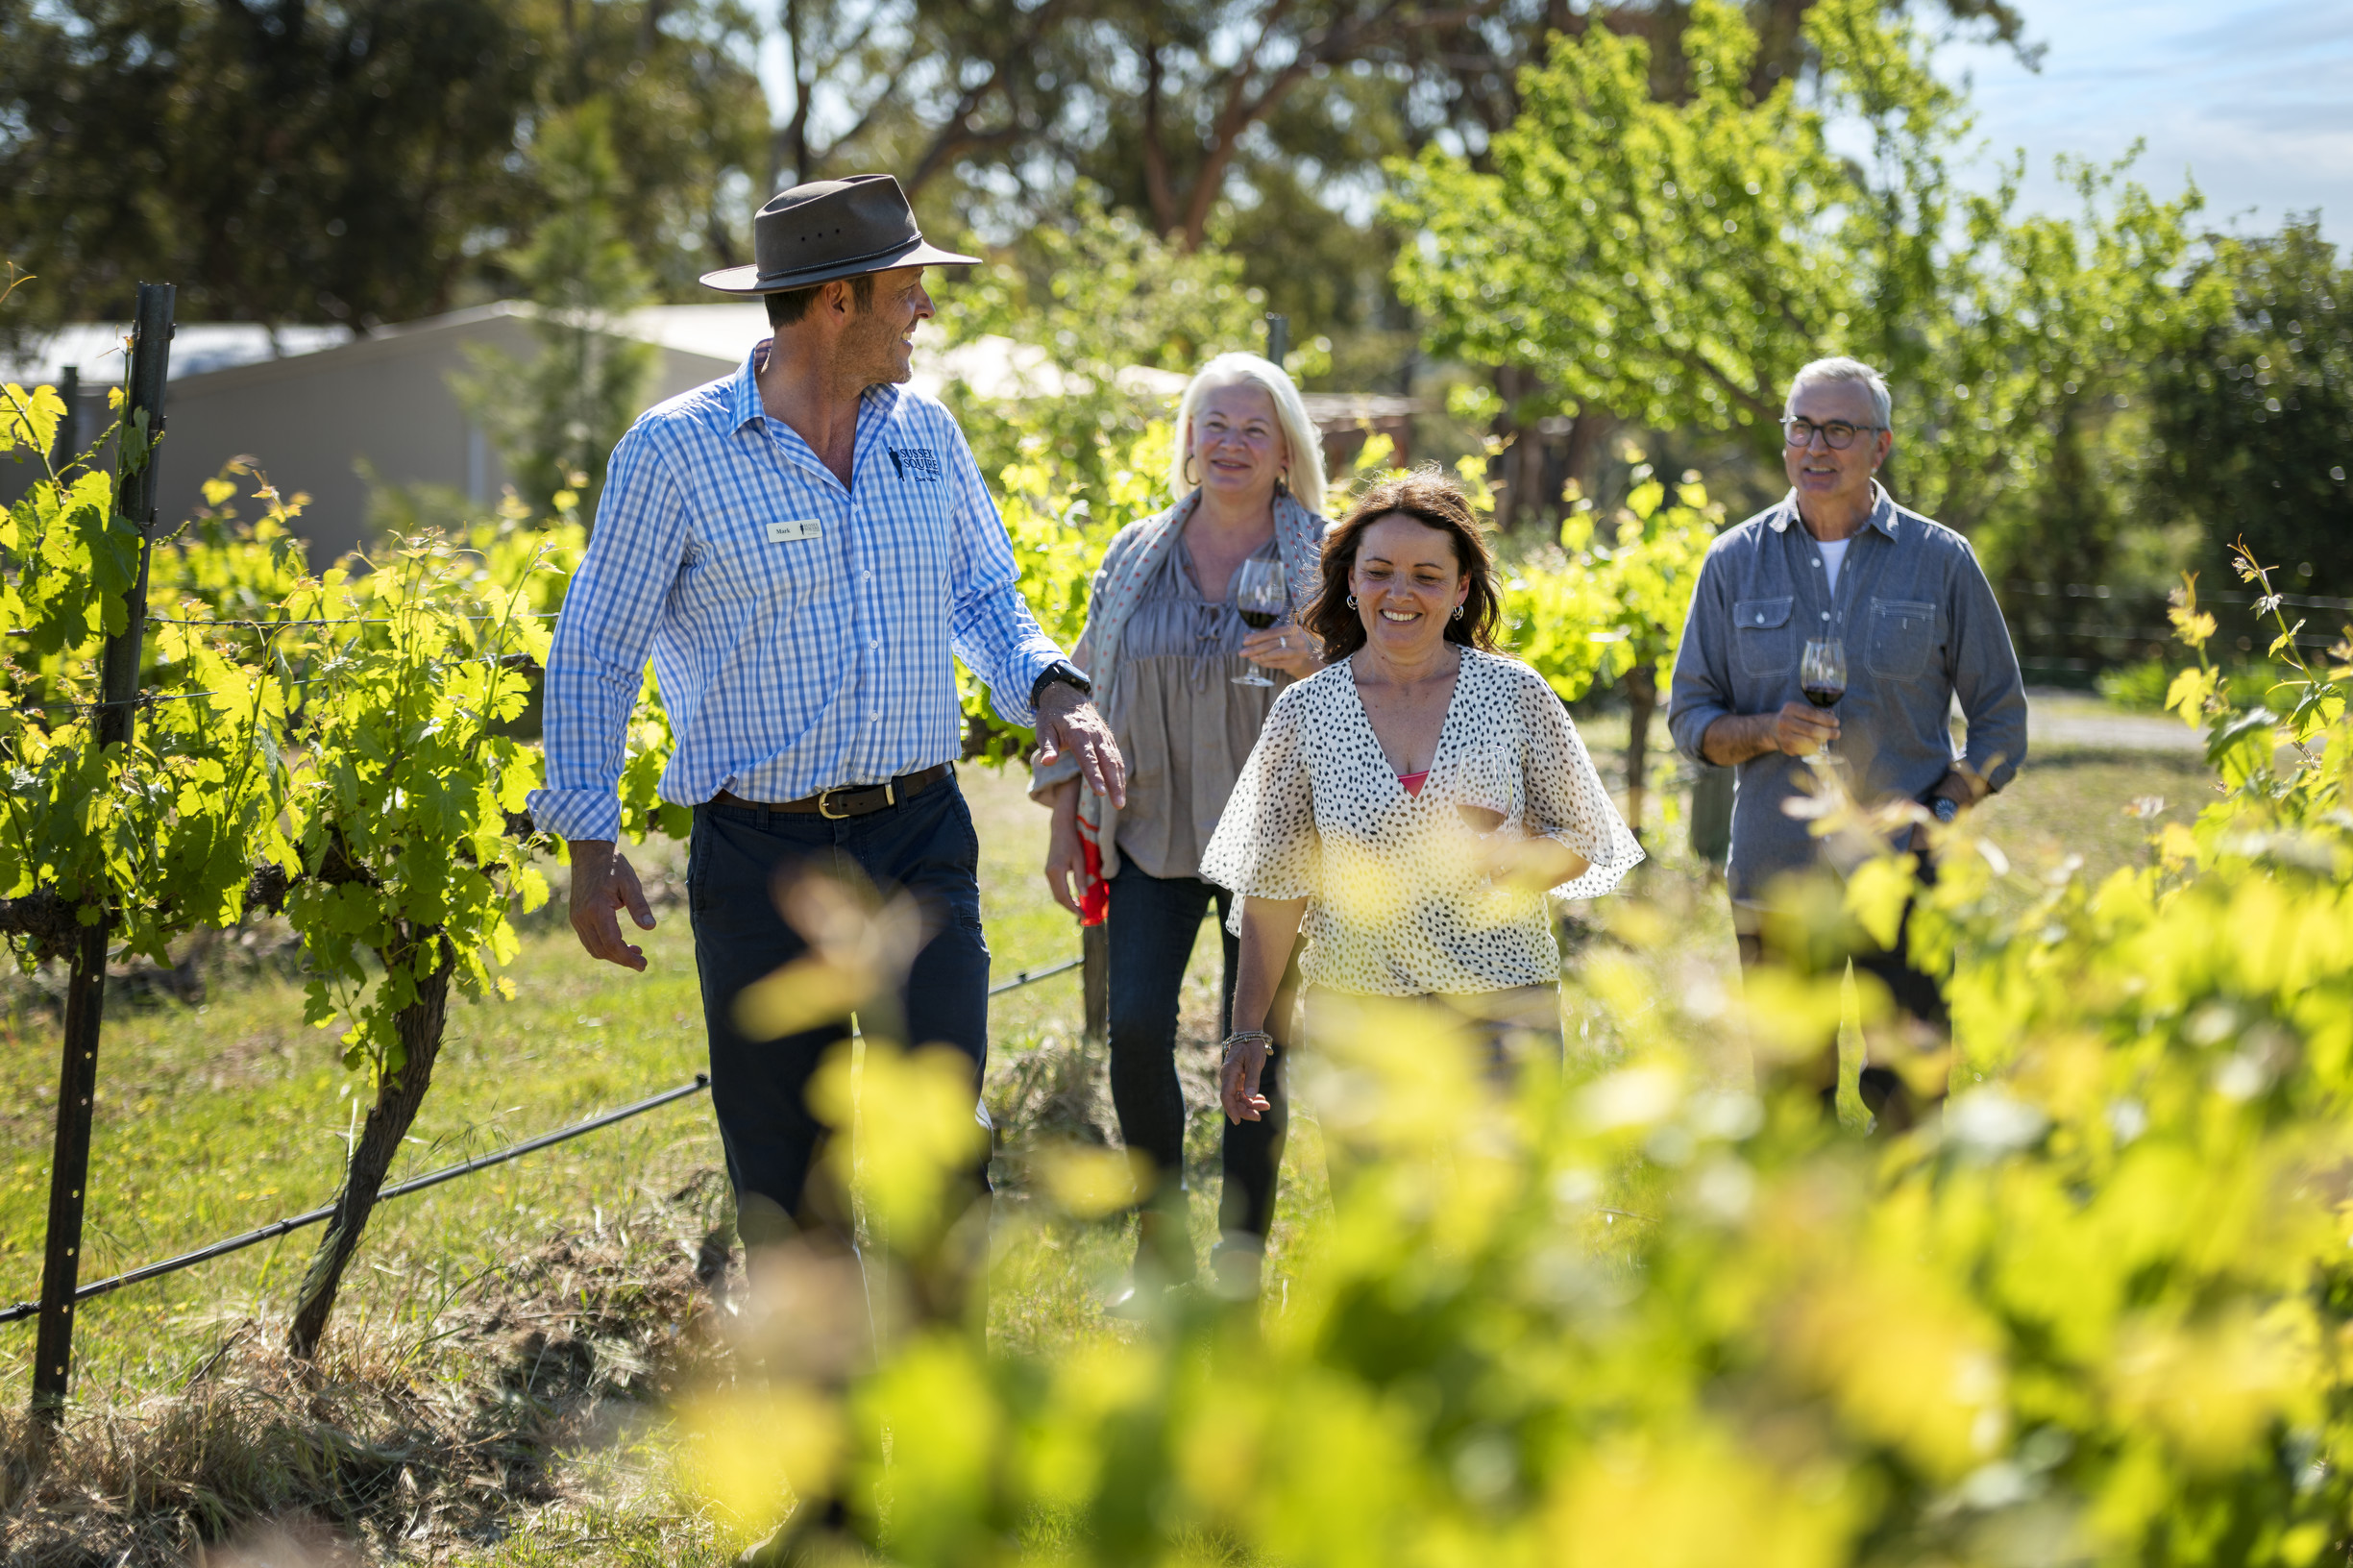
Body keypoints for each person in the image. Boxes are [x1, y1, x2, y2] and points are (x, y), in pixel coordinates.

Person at [529, 175, 1124, 1275]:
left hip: (917, 839)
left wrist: (1056, 690)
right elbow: (598, 647)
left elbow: (985, 598)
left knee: (942, 1155)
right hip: (759, 858)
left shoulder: (926, 434)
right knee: (787, 1184)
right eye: (908, 290)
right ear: (836, 301)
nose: (926, 311)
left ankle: (947, 1383)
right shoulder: (673, 453)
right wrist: (589, 839)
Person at [1202, 469, 1643, 1128]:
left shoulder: (1515, 694)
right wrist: (1246, 1031)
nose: (1399, 593)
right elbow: (1274, 884)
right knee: (1375, 1197)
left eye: (1427, 576)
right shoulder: (1304, 712)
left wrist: (1511, 863)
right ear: (1351, 581)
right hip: (1358, 1017)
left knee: (1498, 1195)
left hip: (1501, 1011)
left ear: (1461, 588)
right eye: (1379, 572)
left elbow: (1583, 838)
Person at [1032, 352, 1328, 1307]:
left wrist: (1319, 657)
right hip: (1150, 834)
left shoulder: (1327, 560)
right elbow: (1083, 687)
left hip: (1273, 847)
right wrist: (1064, 819)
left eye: (1253, 429)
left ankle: (1240, 1256)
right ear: (1189, 441)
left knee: (1255, 1045)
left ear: (1285, 451)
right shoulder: (1136, 554)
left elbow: (1387, 684)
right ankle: (1158, 1245)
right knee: (1132, 1031)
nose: (1231, 444)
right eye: (1215, 425)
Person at [1665, 355, 2028, 1131]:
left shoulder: (1941, 561)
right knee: (1788, 1113)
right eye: (1801, 426)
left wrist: (1939, 810)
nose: (1815, 446)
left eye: (1838, 429)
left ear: (1880, 446)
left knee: (1911, 1108)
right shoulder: (1732, 562)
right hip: (1778, 878)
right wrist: (1765, 730)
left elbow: (2001, 722)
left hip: (1905, 876)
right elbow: (1690, 720)